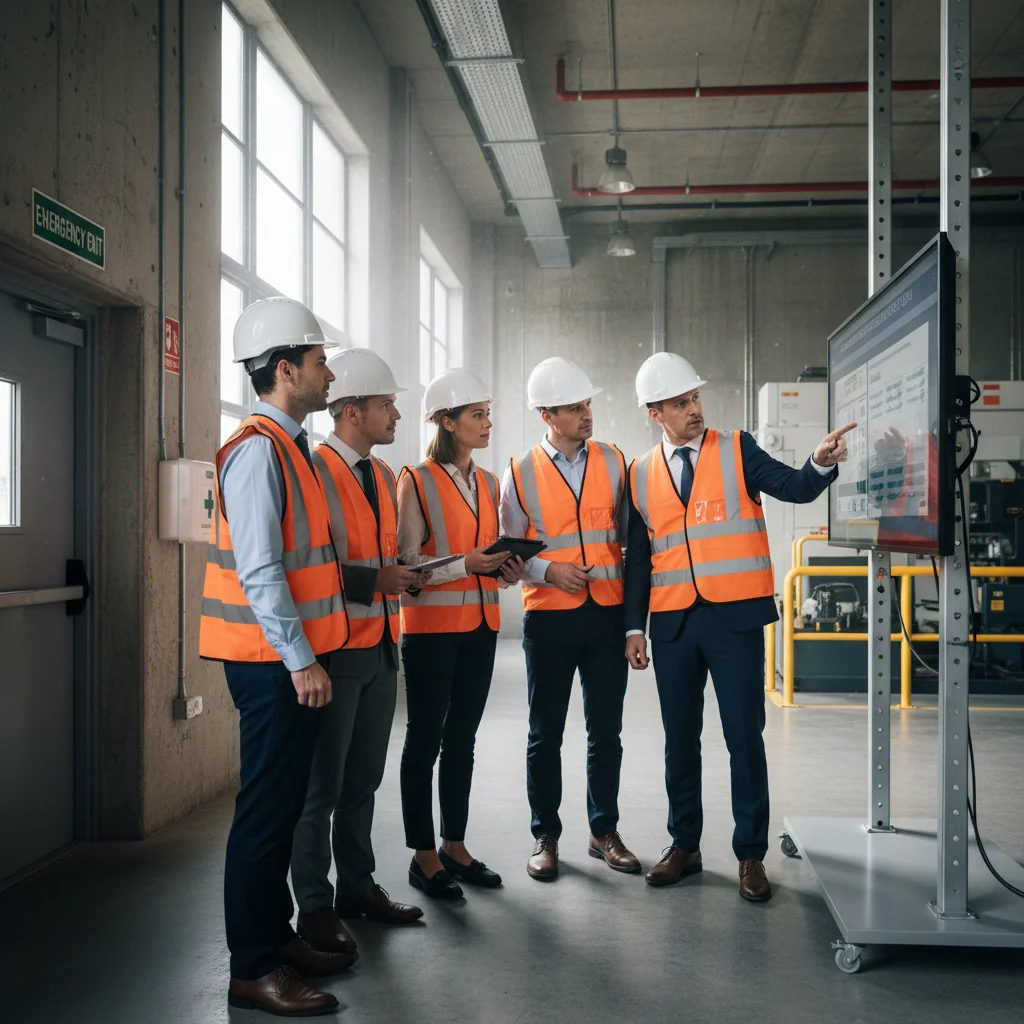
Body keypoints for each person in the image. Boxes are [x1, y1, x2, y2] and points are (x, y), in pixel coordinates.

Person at [624, 351, 852, 902]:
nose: (694, 409)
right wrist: (634, 628)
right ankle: (685, 846)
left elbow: (794, 487)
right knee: (680, 742)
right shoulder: (639, 473)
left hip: (735, 621)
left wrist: (819, 463)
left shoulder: (737, 449)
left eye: (696, 397)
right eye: (680, 403)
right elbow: (639, 559)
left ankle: (751, 855)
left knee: (743, 739)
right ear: (656, 412)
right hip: (674, 624)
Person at [199, 297, 353, 1017]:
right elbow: (261, 573)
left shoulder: (291, 449)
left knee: (285, 804)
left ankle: (276, 937)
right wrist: (300, 661)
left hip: (286, 660)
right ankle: (251, 967)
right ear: (287, 371)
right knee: (265, 814)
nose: (330, 374)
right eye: (321, 363)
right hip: (269, 666)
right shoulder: (259, 450)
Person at [290, 348, 425, 958]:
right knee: (322, 786)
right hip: (336, 651)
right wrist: (374, 582)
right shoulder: (314, 472)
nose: (396, 415)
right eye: (385, 405)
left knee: (363, 780)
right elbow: (303, 566)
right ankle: (314, 908)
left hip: (379, 648)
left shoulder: (384, 474)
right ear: (349, 412)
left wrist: (407, 576)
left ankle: (358, 887)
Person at [500, 356, 638, 882]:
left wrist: (632, 622)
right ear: (546, 415)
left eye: (587, 404)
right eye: (574, 407)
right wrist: (547, 569)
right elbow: (508, 555)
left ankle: (604, 832)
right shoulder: (519, 472)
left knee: (606, 731)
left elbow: (630, 541)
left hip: (605, 616)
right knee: (545, 734)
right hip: (549, 620)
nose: (587, 414)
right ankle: (546, 836)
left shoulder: (615, 460)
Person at [398, 368, 525, 900]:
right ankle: (423, 856)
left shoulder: (490, 482)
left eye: (487, 414)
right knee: (424, 740)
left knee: (462, 742)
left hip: (479, 627)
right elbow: (406, 565)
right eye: (477, 415)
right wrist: (467, 565)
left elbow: (481, 554)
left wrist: (503, 569)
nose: (487, 423)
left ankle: (455, 845)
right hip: (430, 630)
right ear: (448, 422)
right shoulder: (416, 479)